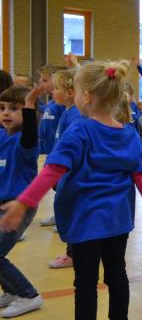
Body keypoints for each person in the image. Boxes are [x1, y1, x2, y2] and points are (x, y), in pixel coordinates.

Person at [0, 60, 142, 320]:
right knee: (117, 275)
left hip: (86, 223)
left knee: (86, 283)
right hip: (117, 223)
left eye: (76, 90)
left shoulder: (79, 131)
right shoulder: (130, 134)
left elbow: (52, 171)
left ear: (87, 96)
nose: (74, 96)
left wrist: (23, 202)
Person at [0, 85, 44, 318]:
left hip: (20, 206)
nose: (6, 113)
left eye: (14, 109)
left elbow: (29, 132)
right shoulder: (0, 136)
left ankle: (28, 295)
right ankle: (11, 289)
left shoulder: (26, 143)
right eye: (2, 108)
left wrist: (29, 105)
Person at [45, 69, 83, 268]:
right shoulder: (67, 112)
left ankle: (74, 254)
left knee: (74, 214)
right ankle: (73, 252)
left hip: (71, 174)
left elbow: (73, 149)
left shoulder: (75, 116)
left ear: (70, 92)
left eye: (56, 88)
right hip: (65, 173)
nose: (52, 92)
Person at [37, 65, 65, 155]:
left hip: (54, 151)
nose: (40, 82)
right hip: (43, 151)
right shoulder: (50, 103)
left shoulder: (62, 104)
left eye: (45, 80)